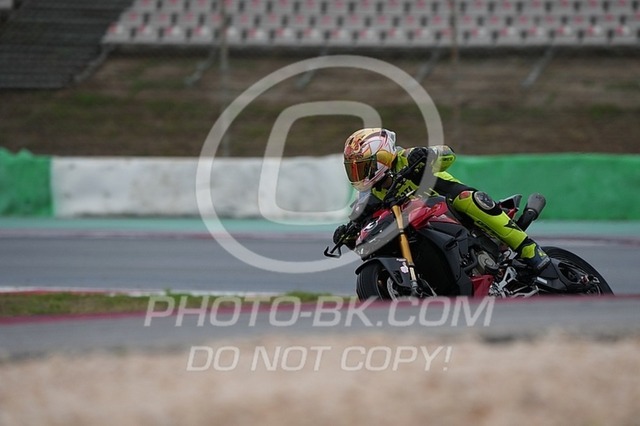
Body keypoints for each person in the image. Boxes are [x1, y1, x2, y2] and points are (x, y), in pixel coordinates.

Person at [333, 127, 550, 272]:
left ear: (382, 158)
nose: (358, 174)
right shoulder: (369, 195)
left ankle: (530, 249)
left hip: (448, 207)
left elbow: (449, 154)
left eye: (363, 167)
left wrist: (426, 155)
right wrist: (348, 234)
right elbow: (364, 232)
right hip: (419, 226)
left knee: (469, 198)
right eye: (353, 169)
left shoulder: (407, 158)